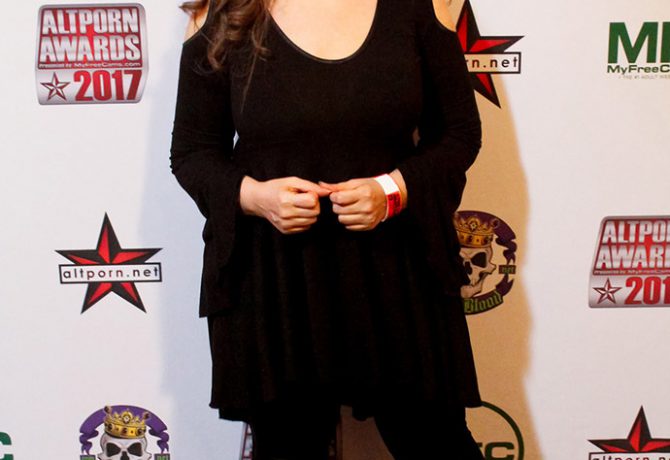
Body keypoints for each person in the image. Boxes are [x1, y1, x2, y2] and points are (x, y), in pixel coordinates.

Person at [170, 0, 484, 458]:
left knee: (436, 442)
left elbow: (459, 134)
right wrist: (257, 198)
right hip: (276, 281)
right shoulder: (218, 12)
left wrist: (392, 191)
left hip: (397, 271)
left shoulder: (426, 4)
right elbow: (192, 153)